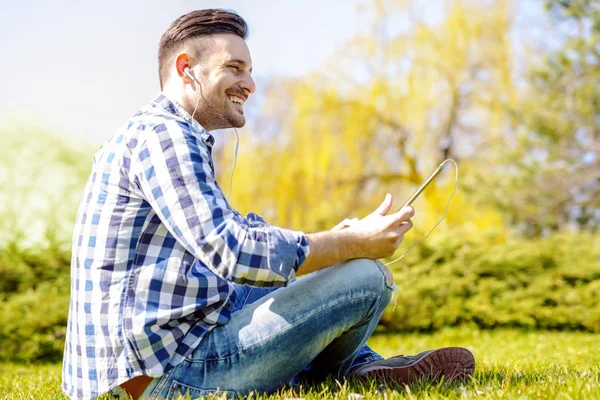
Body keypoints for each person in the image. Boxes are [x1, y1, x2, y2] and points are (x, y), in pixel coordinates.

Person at [62, 8, 474, 400]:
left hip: (141, 367)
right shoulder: (165, 138)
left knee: (298, 274)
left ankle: (359, 368)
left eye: (250, 71)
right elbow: (235, 251)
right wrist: (351, 246)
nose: (249, 84)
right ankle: (349, 369)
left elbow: (230, 256)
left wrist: (336, 242)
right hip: (170, 378)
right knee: (368, 278)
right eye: (234, 68)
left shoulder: (151, 133)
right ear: (187, 69)